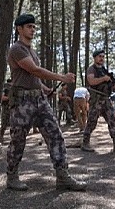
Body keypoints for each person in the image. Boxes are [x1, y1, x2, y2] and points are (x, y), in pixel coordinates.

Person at [5, 13, 86, 192]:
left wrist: (44, 88)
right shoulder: (17, 49)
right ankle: (12, 176)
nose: (32, 30)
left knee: (55, 134)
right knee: (18, 140)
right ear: (19, 29)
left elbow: (32, 76)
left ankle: (62, 176)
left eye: (34, 27)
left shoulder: (31, 51)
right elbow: (34, 70)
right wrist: (61, 77)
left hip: (39, 99)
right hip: (22, 101)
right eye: (29, 27)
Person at [80, 49, 115, 153]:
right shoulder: (91, 69)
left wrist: (114, 85)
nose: (102, 58)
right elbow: (91, 81)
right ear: (95, 58)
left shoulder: (104, 70)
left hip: (106, 100)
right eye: (99, 56)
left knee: (112, 120)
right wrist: (104, 79)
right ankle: (85, 143)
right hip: (96, 101)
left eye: (103, 56)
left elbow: (112, 85)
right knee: (91, 122)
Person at [0, 78, 12, 144]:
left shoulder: (13, 88)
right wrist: (9, 98)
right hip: (6, 107)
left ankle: (13, 138)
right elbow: (2, 97)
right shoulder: (5, 88)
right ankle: (1, 138)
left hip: (12, 107)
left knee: (14, 124)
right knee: (4, 123)